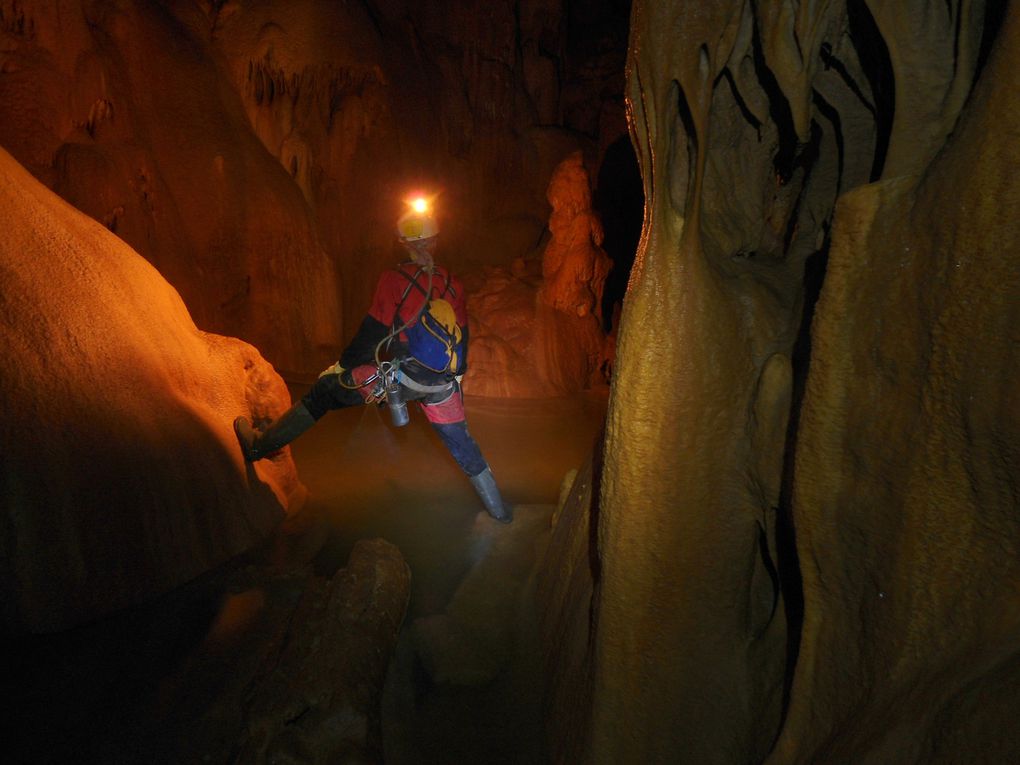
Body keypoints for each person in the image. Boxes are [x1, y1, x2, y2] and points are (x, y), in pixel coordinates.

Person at [233, 197, 512, 523]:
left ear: (404, 244)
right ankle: (501, 514)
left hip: (398, 381)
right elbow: (462, 335)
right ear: (434, 242)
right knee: (463, 445)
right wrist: (458, 377)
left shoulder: (394, 280)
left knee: (323, 393)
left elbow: (372, 331)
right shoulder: (454, 284)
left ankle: (258, 447)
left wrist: (344, 366)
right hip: (441, 383)